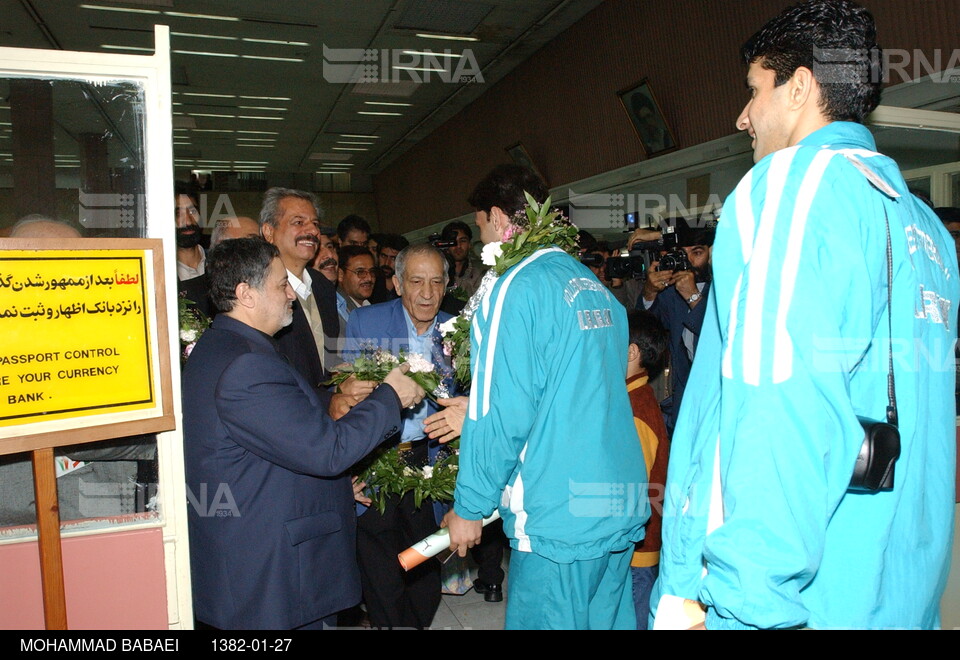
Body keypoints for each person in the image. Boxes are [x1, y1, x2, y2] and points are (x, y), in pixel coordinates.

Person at [653, 0, 959, 630]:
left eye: (753, 91)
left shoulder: (795, 188)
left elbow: (777, 404)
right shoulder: (923, 222)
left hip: (793, 597)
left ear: (799, 87)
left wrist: (739, 596)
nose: (743, 117)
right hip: (895, 590)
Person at [443, 164, 649, 630]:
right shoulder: (593, 286)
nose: (479, 241)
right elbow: (580, 391)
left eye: (478, 228)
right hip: (615, 500)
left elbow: (504, 411)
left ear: (497, 217)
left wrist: (470, 505)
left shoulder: (514, 288)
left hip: (557, 517)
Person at [182, 237, 425, 630]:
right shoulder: (245, 364)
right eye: (281, 284)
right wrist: (390, 396)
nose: (292, 293)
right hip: (274, 580)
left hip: (259, 560)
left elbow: (265, 450)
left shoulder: (226, 346)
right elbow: (326, 450)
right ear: (246, 294)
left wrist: (331, 489)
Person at [344, 243, 455, 629]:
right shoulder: (366, 324)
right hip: (378, 456)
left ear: (447, 286)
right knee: (379, 565)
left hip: (430, 457)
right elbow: (348, 398)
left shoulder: (460, 331)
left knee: (425, 561)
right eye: (417, 281)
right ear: (396, 283)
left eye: (437, 282)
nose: (427, 293)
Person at [259, 187, 363, 418]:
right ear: (269, 232)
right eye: (298, 222)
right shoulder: (258, 291)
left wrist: (344, 382)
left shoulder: (323, 286)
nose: (312, 231)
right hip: (284, 417)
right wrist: (328, 399)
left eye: (315, 224)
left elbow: (329, 357)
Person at [638, 218, 714, 433]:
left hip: (718, 393)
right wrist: (650, 293)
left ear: (711, 253)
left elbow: (719, 337)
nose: (689, 261)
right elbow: (646, 332)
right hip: (684, 397)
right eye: (683, 253)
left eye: (697, 253)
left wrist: (692, 297)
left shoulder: (725, 289)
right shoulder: (671, 293)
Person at [623, 310, 670, 630]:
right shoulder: (635, 398)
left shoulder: (638, 409)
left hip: (635, 552)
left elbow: (632, 489)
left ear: (631, 353)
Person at [335, 245, 375, 326]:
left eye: (372, 271)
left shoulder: (372, 308)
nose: (369, 278)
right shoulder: (337, 310)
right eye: (360, 272)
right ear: (340, 275)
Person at [370, 233, 409, 303]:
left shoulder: (407, 283)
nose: (387, 263)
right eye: (383, 256)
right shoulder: (370, 282)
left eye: (393, 258)